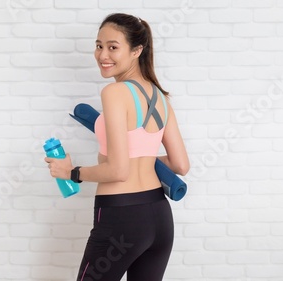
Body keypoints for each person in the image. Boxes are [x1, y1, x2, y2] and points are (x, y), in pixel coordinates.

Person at [44, 13, 190, 281]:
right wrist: (142, 158)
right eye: (99, 45)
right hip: (159, 217)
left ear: (137, 50)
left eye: (113, 47)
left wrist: (71, 172)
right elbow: (181, 165)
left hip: (122, 218)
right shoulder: (160, 97)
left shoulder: (114, 93)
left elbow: (118, 170)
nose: (102, 55)